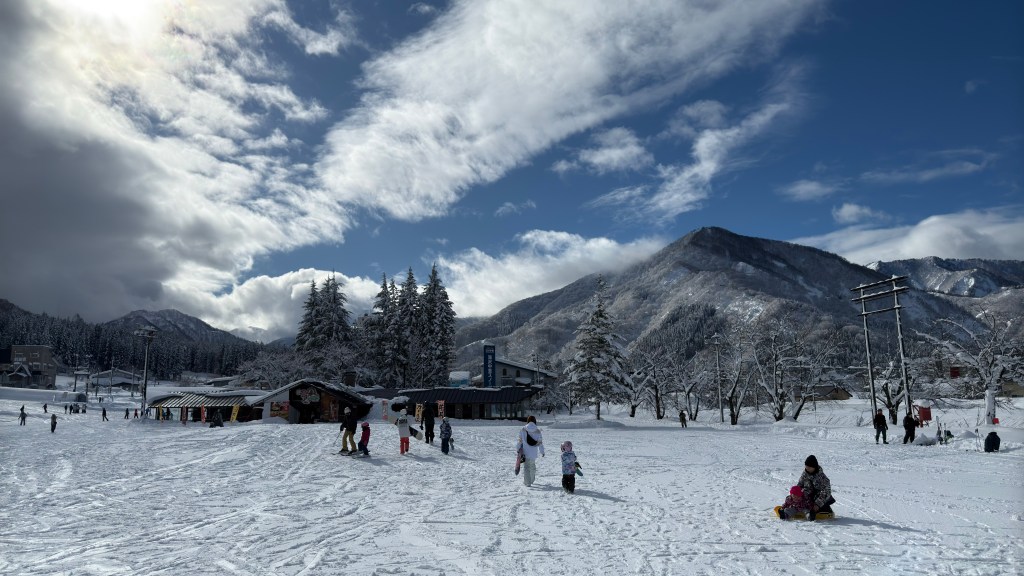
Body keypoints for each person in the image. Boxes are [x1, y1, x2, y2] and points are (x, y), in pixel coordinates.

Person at [797, 455, 834, 520]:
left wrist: (817, 504)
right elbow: (799, 485)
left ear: (814, 467)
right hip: (808, 495)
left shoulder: (822, 477)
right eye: (806, 466)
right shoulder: (805, 473)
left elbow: (826, 492)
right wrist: (795, 494)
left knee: (819, 507)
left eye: (809, 466)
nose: (807, 468)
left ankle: (824, 510)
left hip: (819, 498)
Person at [516, 416, 545, 487]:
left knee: (526, 467)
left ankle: (527, 482)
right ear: (535, 421)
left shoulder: (523, 429)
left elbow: (519, 440)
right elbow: (540, 443)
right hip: (533, 452)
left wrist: (518, 448)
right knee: (532, 466)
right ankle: (532, 480)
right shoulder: (538, 431)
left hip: (525, 451)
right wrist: (542, 452)